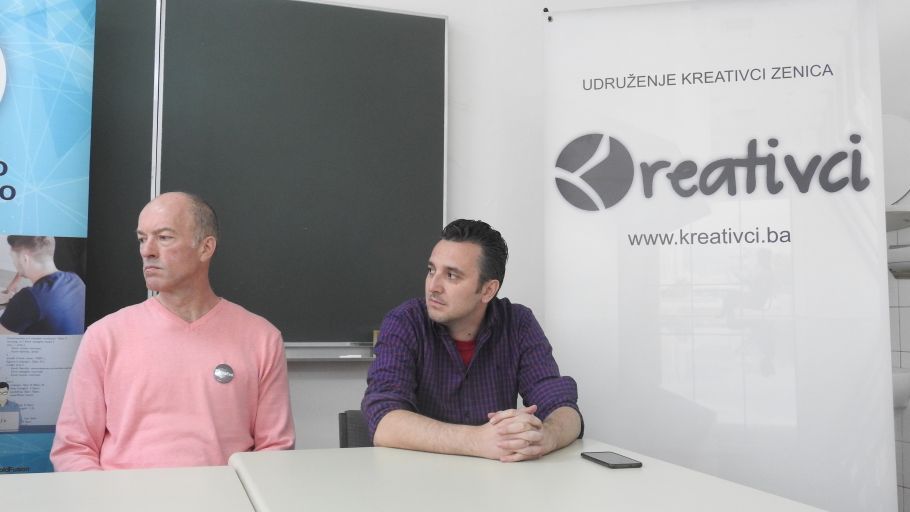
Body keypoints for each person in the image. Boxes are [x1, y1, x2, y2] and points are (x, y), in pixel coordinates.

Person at [50, 192, 295, 471]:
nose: (147, 251)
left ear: (205, 248)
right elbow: (74, 447)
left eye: (164, 237)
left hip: (223, 494)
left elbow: (275, 449)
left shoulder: (261, 338)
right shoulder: (104, 336)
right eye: (142, 239)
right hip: (124, 494)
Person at [362, 219, 582, 462]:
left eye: (451, 275)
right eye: (431, 270)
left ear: (488, 290)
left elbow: (562, 407)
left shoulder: (518, 323)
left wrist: (546, 436)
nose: (433, 286)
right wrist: (477, 440)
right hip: (420, 475)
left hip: (496, 477)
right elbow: (383, 420)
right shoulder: (404, 322)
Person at [0, 236, 85, 335]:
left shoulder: (29, 297)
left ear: (25, 259)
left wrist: (15, 303)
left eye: (13, 257)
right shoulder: (76, 280)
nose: (14, 262)